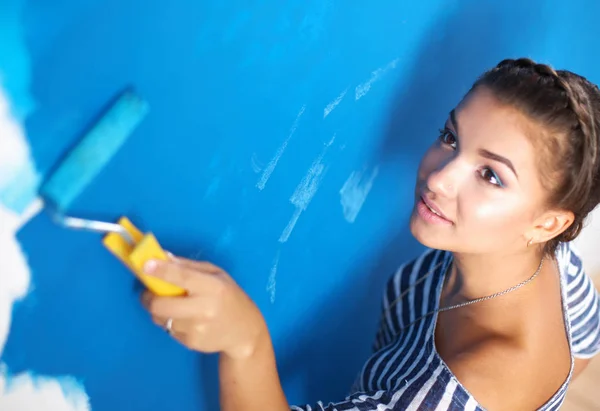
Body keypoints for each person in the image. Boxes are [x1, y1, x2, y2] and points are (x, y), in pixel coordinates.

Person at [139, 58, 600, 410]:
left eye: (491, 175)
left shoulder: (451, 395)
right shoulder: (564, 272)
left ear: (549, 222)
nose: (439, 179)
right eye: (450, 137)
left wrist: (245, 343)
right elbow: (582, 352)